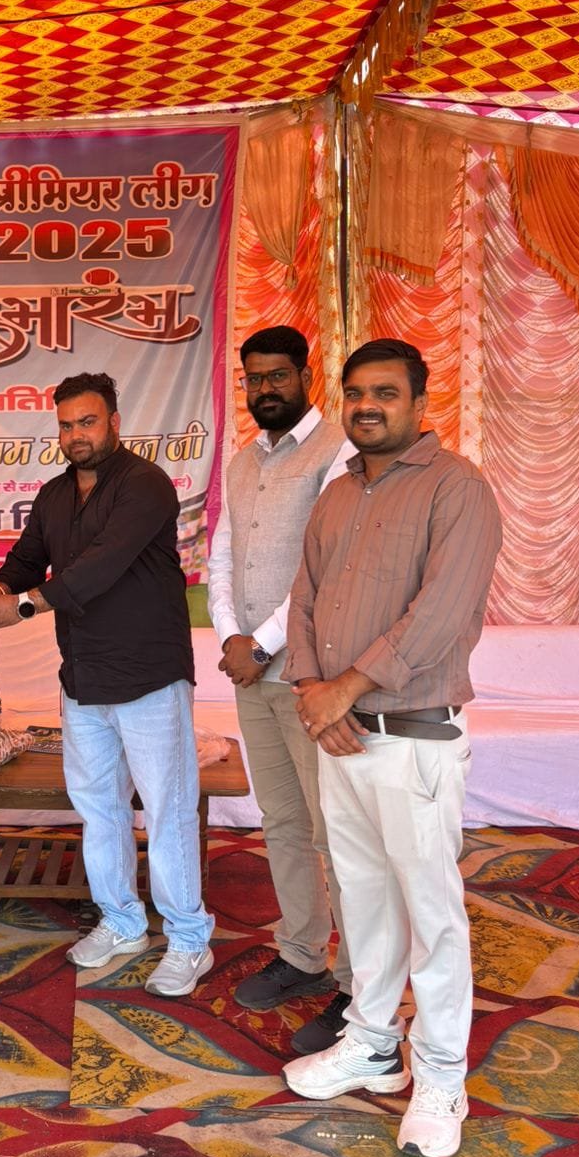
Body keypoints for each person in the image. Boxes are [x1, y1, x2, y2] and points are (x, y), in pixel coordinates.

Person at [282, 338, 502, 1157]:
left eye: (384, 392)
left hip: (414, 737)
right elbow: (305, 598)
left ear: (418, 402)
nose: (367, 406)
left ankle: (441, 1073)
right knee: (364, 900)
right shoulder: (339, 494)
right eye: (355, 393)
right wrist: (313, 691)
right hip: (341, 738)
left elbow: (441, 612)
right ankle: (373, 1044)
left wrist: (344, 688)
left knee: (431, 914)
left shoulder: (458, 488)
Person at [0, 373, 214, 997]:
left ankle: (189, 938)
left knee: (167, 809)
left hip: (148, 678)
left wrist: (22, 606)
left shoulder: (145, 485)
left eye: (88, 421)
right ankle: (122, 921)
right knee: (99, 808)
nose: (76, 434)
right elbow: (27, 559)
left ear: (114, 422)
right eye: (66, 425)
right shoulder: (54, 495)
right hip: (82, 678)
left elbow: (99, 568)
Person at [208, 326, 353, 1051]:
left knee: (336, 831)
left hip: (310, 676)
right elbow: (223, 555)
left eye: (277, 376)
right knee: (283, 822)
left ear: (305, 375)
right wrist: (230, 637)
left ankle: (358, 986)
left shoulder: (338, 452)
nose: (265, 389)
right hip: (251, 673)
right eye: (254, 378)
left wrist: (261, 644)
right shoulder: (243, 461)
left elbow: (323, 564)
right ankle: (302, 954)